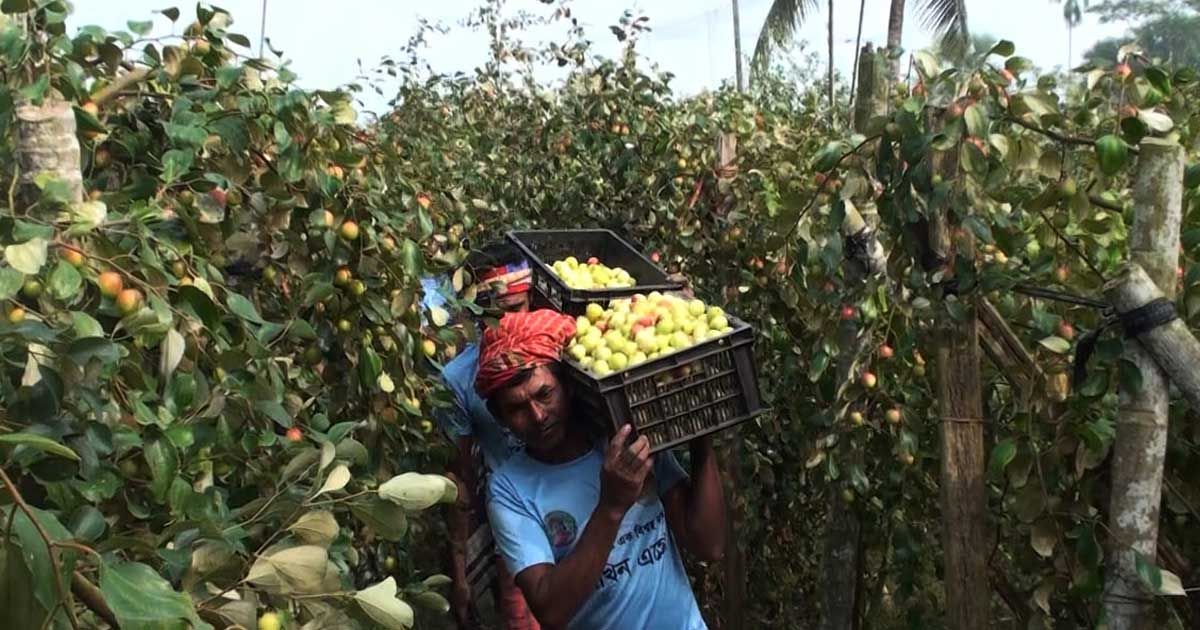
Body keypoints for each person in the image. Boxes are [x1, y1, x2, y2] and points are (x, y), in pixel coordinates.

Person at [477, 309, 727, 630]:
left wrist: (701, 439)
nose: (538, 416)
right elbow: (550, 611)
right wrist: (611, 507)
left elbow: (709, 545)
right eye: (516, 408)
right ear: (500, 419)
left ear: (566, 386)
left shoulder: (623, 438)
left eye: (545, 394)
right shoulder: (509, 489)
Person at [434, 241, 540, 630]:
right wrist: (460, 572)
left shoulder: (558, 351)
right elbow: (460, 480)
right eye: (496, 315)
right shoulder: (459, 380)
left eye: (517, 308)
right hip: (518, 536)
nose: (509, 323)